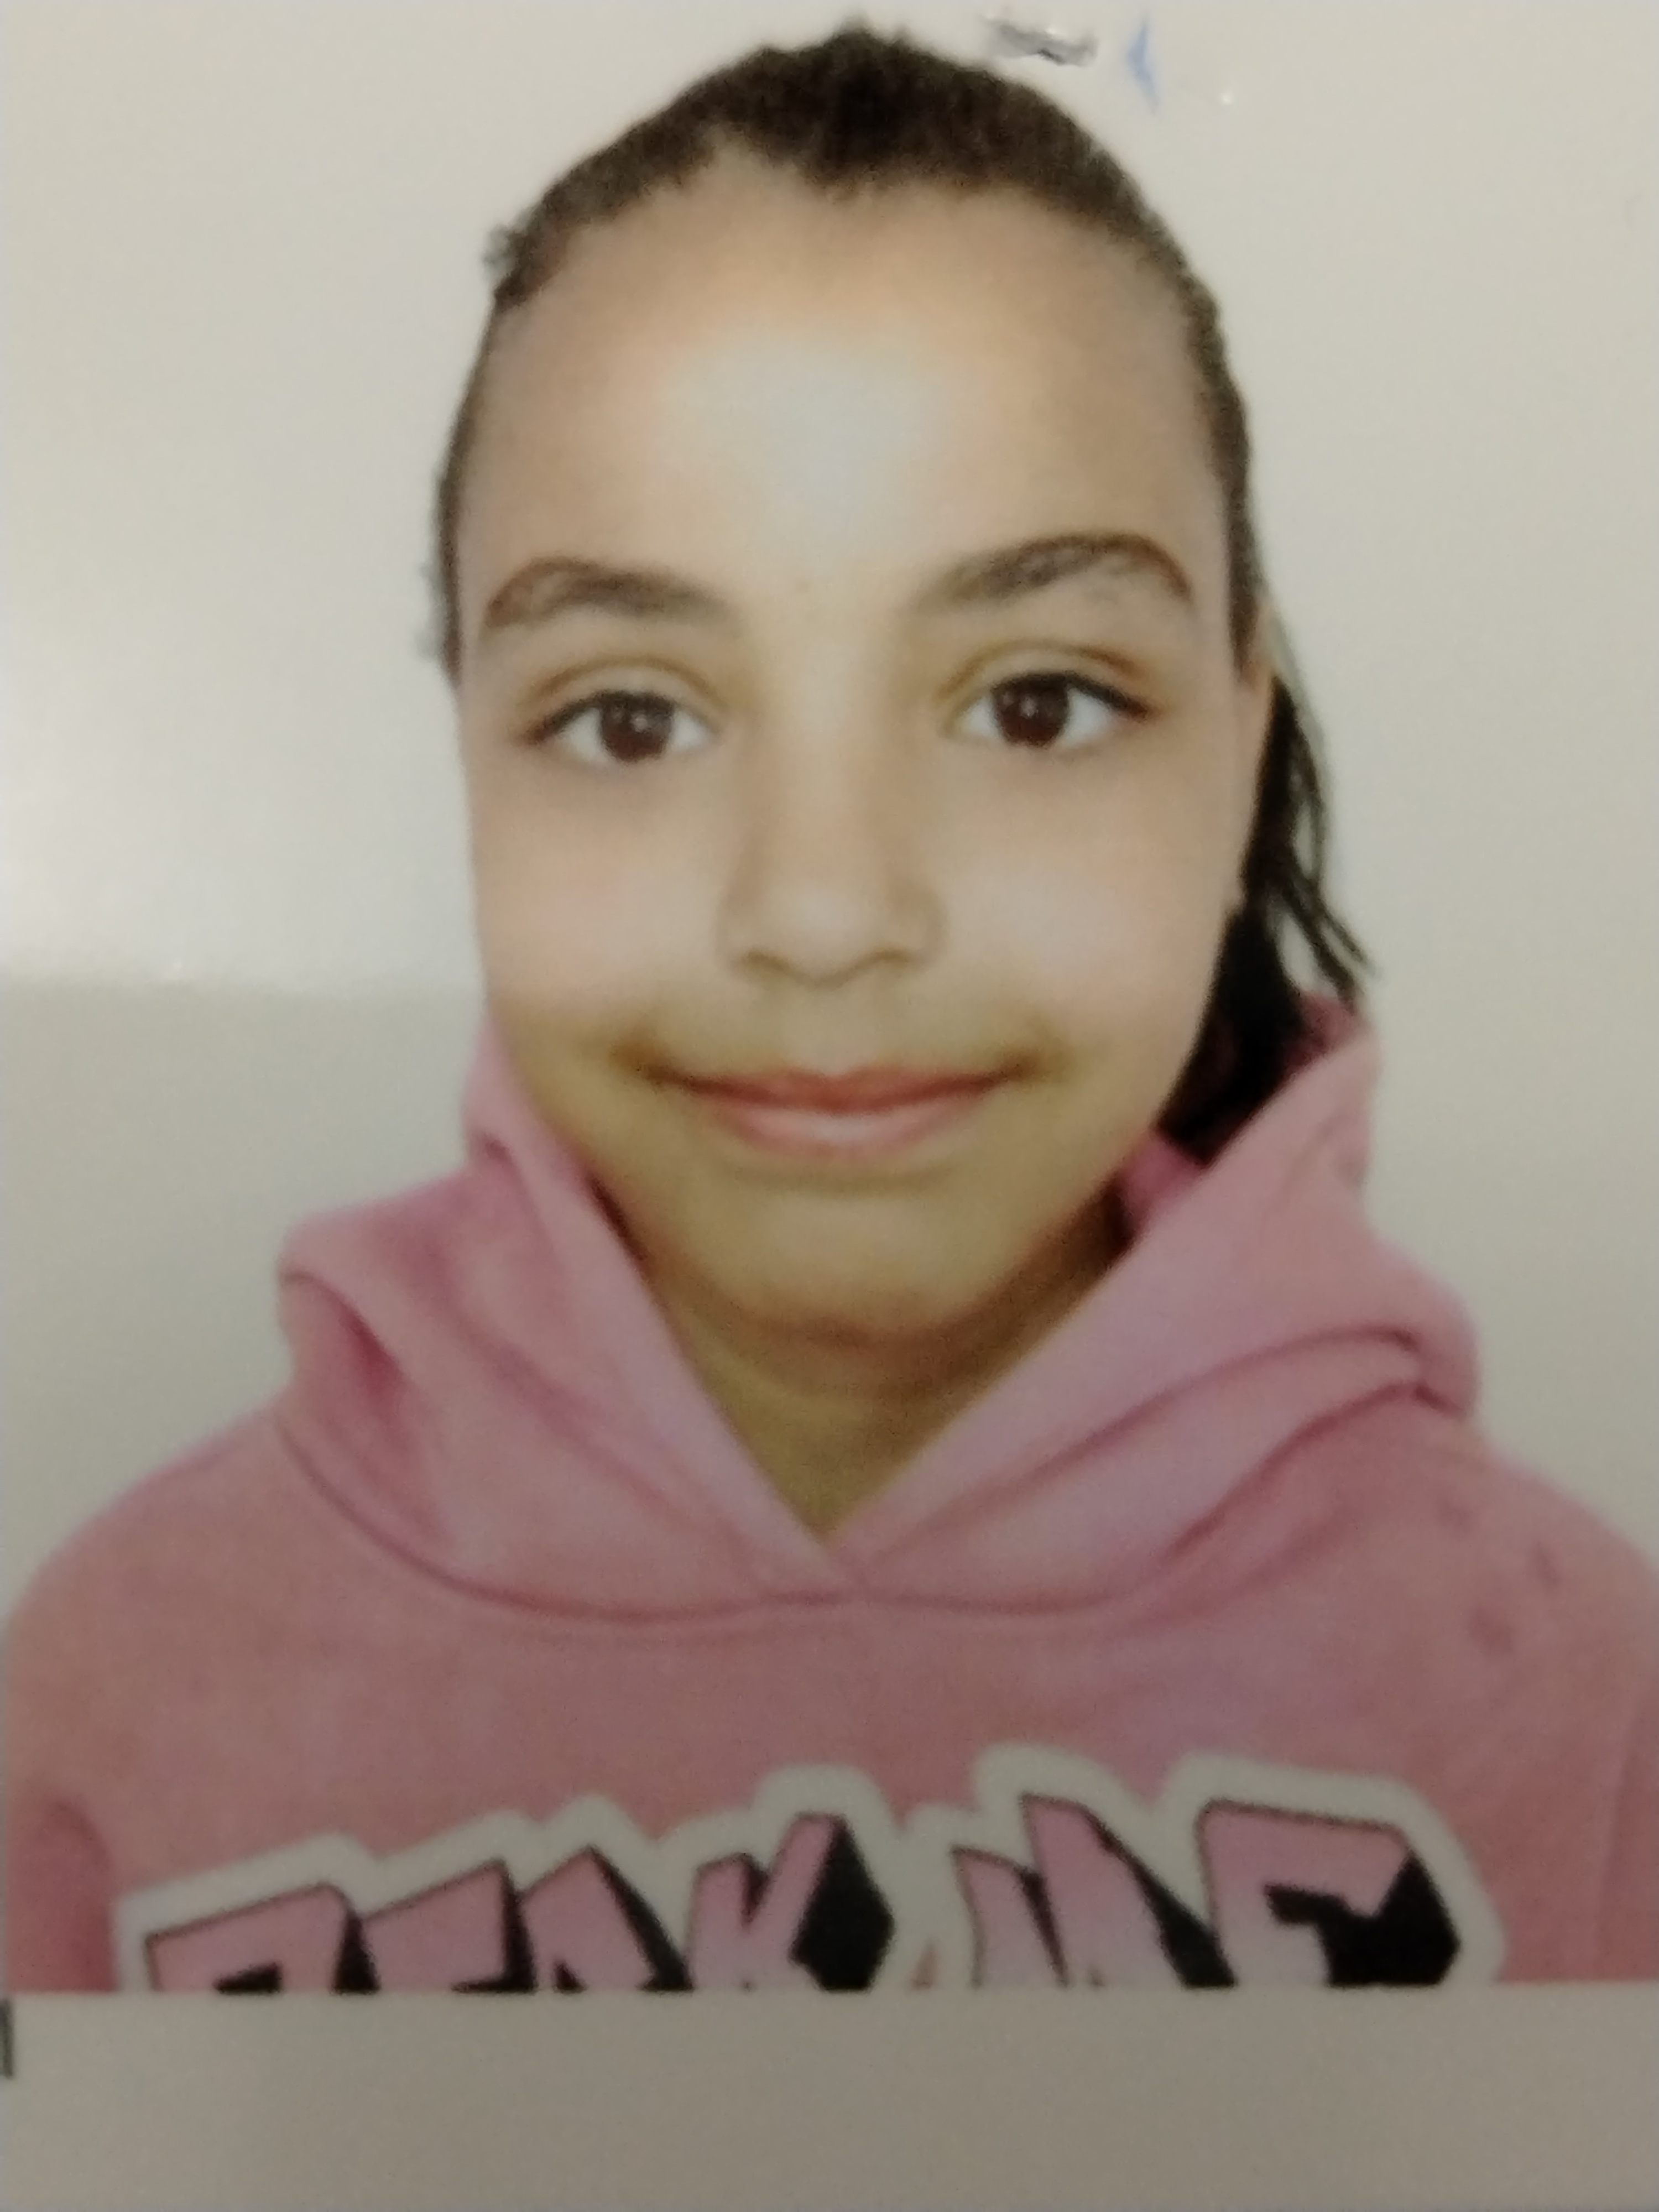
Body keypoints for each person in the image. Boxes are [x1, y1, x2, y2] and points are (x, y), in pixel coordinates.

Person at [6, 24, 1655, 1995]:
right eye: (633, 719)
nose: (825, 914)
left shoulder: (1585, 1706)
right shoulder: (115, 1697)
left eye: (1035, 703)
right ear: (468, 761)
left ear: (1243, 739)